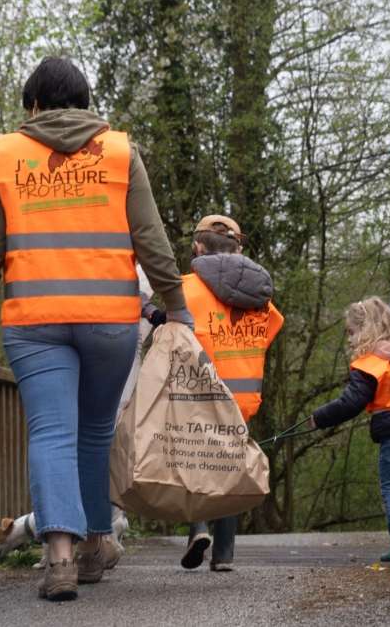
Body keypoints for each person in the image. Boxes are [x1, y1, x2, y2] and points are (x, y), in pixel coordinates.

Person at [0, 57, 192, 601]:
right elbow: (150, 239)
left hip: (34, 322)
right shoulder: (119, 152)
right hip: (109, 318)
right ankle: (94, 546)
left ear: (34, 106)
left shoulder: (7, 154)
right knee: (93, 432)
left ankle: (60, 559)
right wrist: (177, 305)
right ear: (86, 103)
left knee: (51, 434)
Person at [146, 215, 283, 573]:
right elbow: (271, 330)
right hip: (244, 396)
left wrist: (148, 312)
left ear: (197, 247)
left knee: (195, 461)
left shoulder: (185, 289)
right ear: (240, 248)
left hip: (201, 393)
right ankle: (224, 554)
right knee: (231, 465)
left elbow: (170, 329)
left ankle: (199, 529)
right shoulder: (262, 298)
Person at [307, 297, 390, 563]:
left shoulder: (371, 363)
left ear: (365, 330)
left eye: (351, 332)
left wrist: (319, 418)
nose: (350, 340)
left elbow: (350, 403)